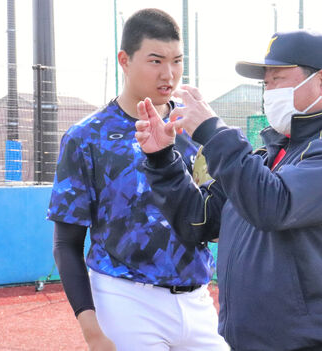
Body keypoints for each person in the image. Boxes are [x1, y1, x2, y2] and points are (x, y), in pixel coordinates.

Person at [135, 30, 322, 351]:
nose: (268, 92)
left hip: (320, 344)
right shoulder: (270, 156)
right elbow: (197, 222)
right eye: (266, 84)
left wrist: (214, 132)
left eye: (277, 80)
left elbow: (273, 206)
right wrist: (161, 159)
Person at [47, 8, 228, 351]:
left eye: (177, 61)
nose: (169, 74)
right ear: (125, 60)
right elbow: (66, 244)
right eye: (156, 61)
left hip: (197, 299)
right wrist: (92, 331)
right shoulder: (86, 137)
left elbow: (212, 220)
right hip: (124, 298)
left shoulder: (192, 127)